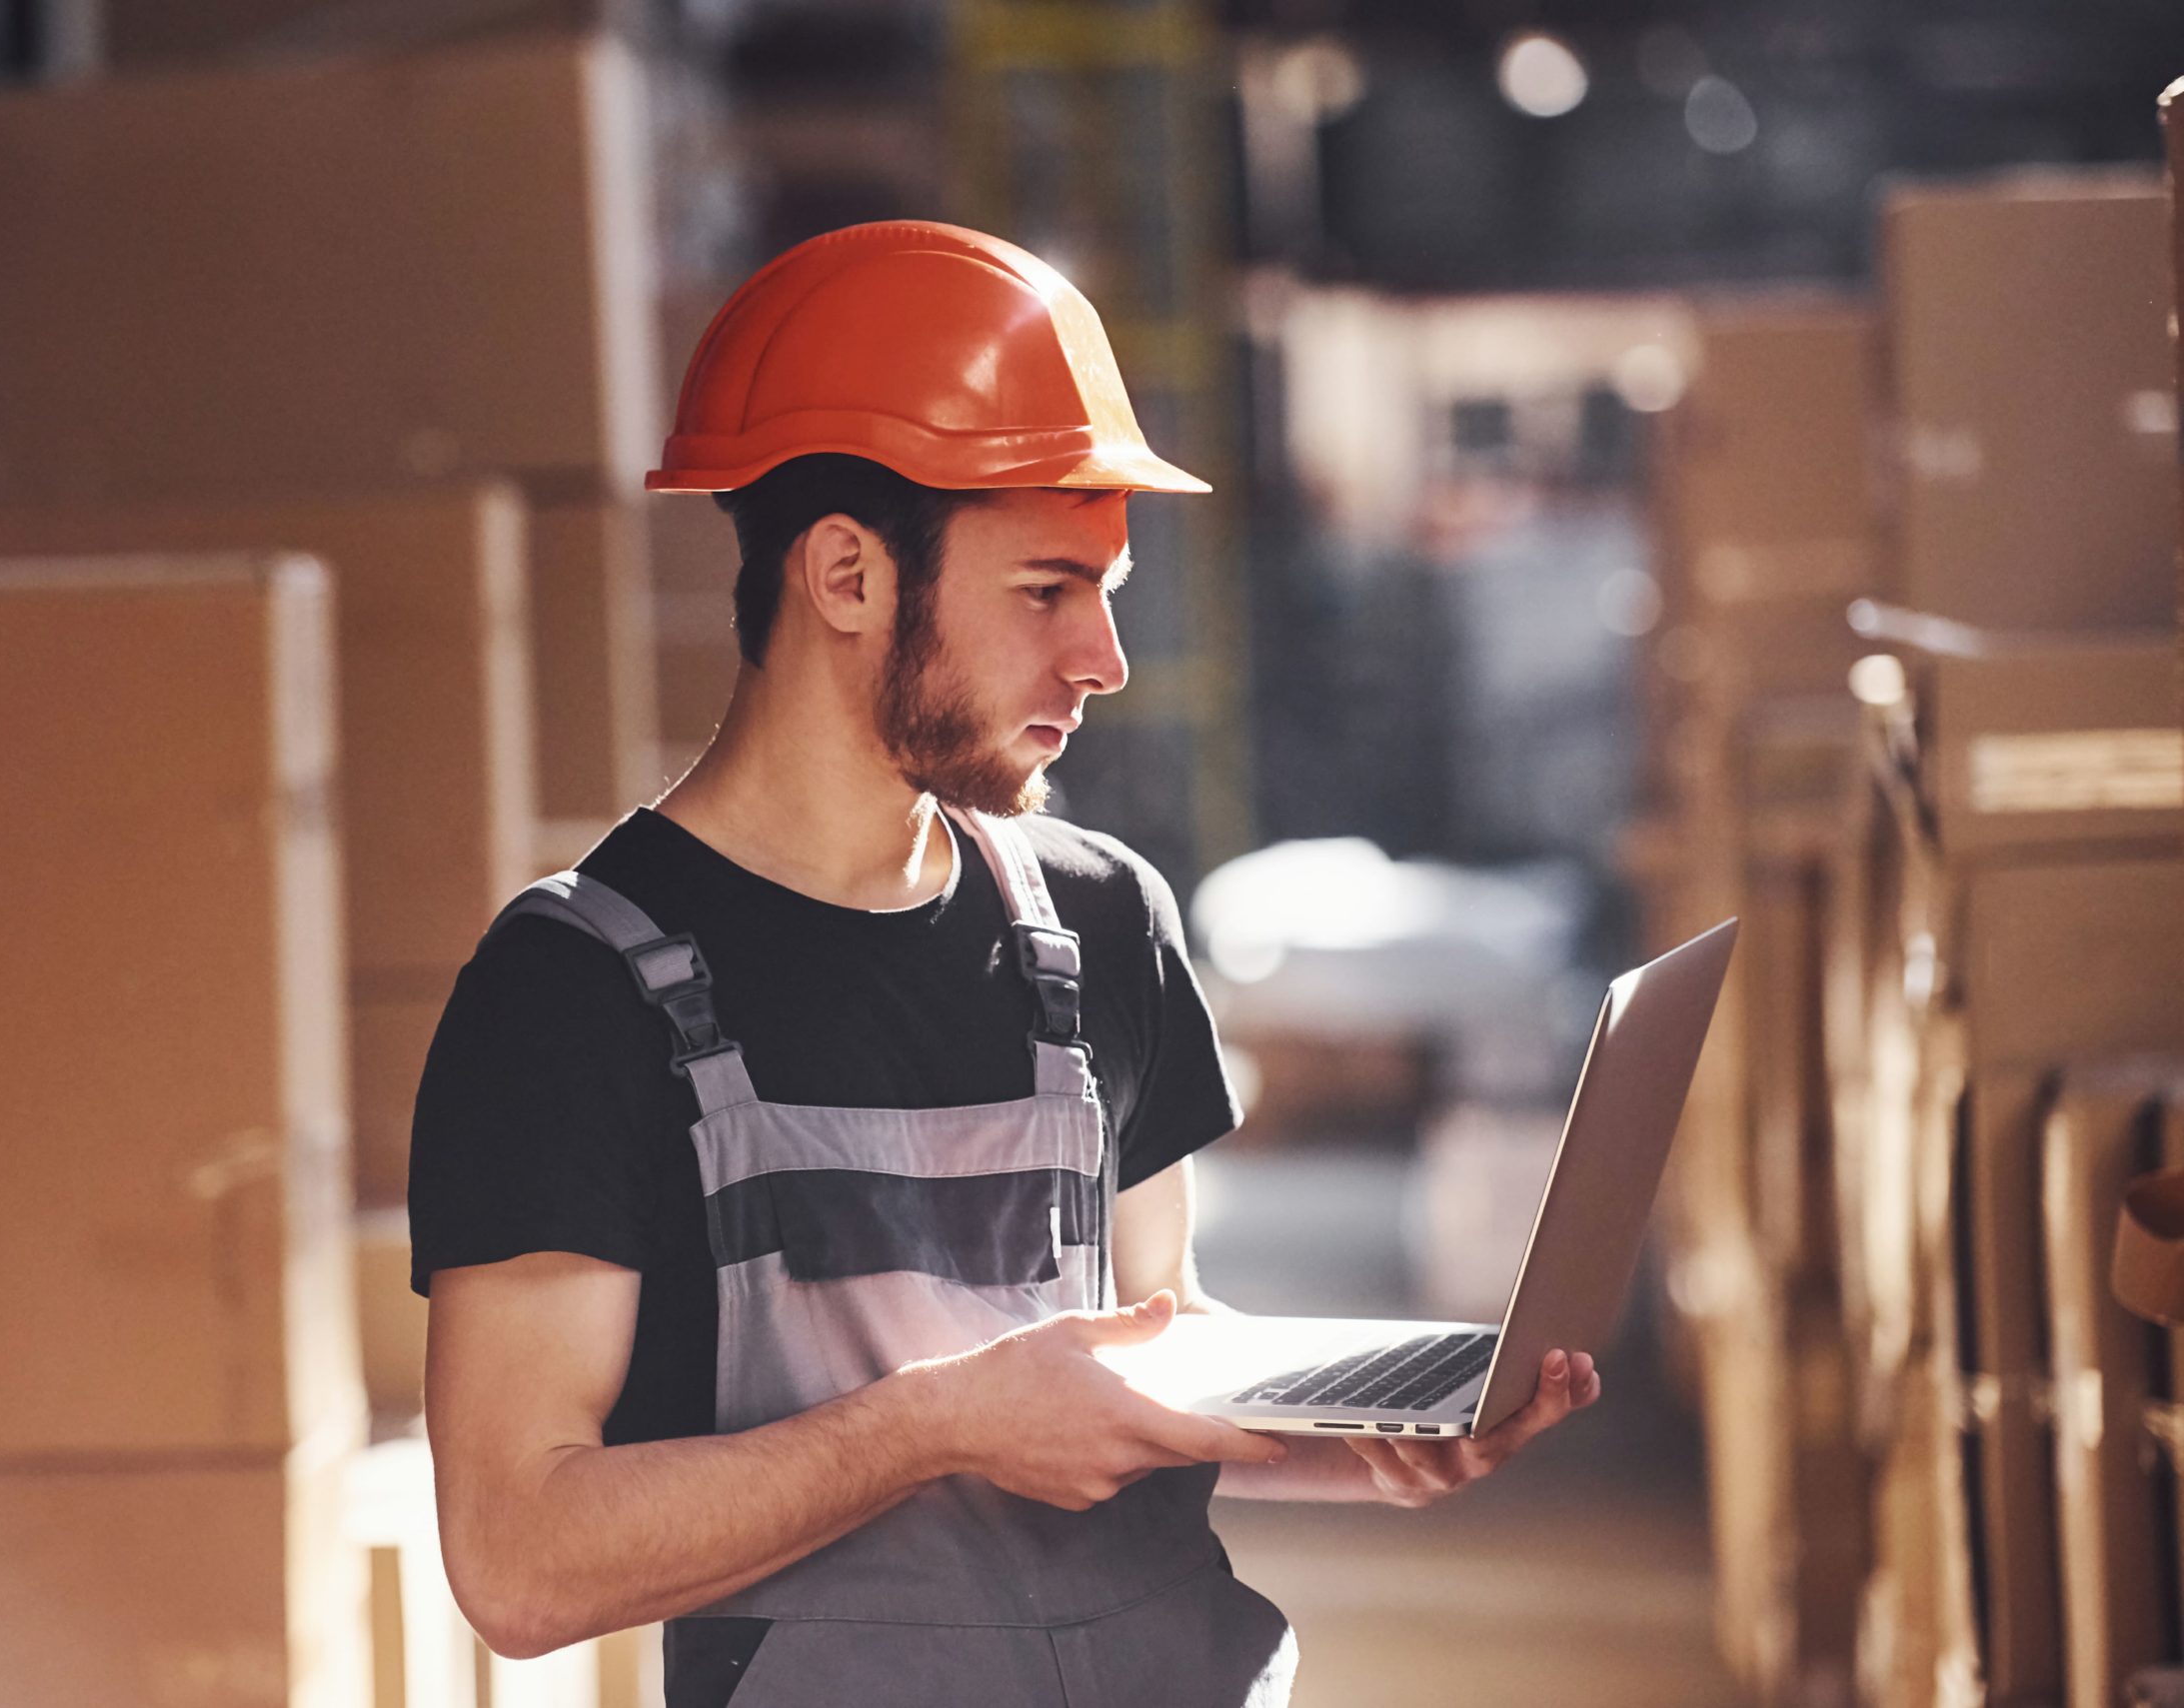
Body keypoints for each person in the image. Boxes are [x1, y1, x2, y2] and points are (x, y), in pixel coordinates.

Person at [409, 221, 1602, 1708]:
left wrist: (1361, 1431)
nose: (1102, 655)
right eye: (1047, 590)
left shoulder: (1104, 921)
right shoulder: (570, 993)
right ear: (845, 575)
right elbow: (518, 1560)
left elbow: (1160, 1344)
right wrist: (938, 1423)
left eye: (1103, 588)